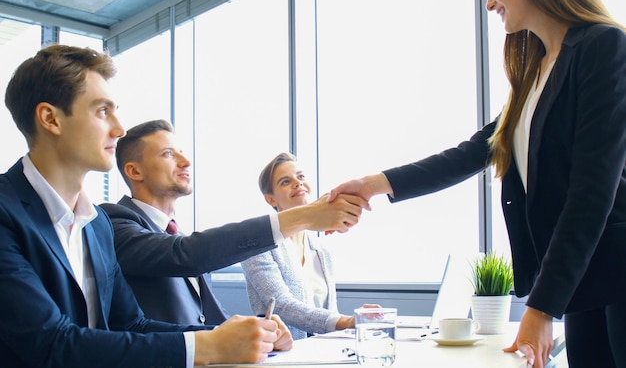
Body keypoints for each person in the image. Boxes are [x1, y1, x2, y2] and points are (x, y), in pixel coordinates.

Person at [328, 0, 626, 367]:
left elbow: (592, 193)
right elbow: (471, 153)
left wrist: (541, 308)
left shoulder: (602, 46)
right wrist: (373, 184)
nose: (489, 2)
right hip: (585, 285)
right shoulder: (538, 71)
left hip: (616, 276)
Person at [0, 45, 356, 368]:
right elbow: (48, 345)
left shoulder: (95, 225)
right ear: (50, 119)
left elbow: (131, 324)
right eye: (102, 111)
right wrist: (208, 348)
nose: (119, 129)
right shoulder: (9, 210)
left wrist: (239, 333)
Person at [100, 121, 366, 328]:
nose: (186, 162)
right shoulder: (115, 221)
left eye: (183, 153)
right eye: (169, 154)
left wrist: (253, 331)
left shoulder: (174, 234)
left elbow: (209, 319)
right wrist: (305, 215)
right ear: (135, 171)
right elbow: (184, 254)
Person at [241, 152, 377, 340]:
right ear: (271, 199)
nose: (298, 183)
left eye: (301, 176)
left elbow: (330, 312)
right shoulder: (258, 246)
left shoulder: (321, 250)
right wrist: (347, 321)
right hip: (282, 355)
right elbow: (282, 305)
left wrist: (356, 322)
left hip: (323, 352)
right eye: (285, 181)